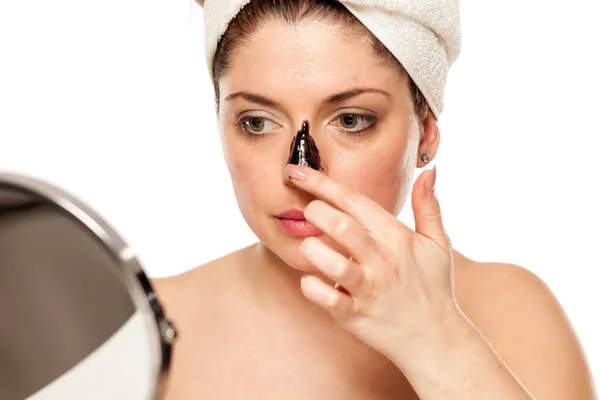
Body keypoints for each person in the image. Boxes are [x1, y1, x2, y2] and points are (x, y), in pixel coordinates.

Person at [152, 0, 597, 398]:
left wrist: (435, 339)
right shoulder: (148, 327)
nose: (301, 172)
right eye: (257, 122)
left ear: (425, 130)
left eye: (350, 119)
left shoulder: (511, 313)